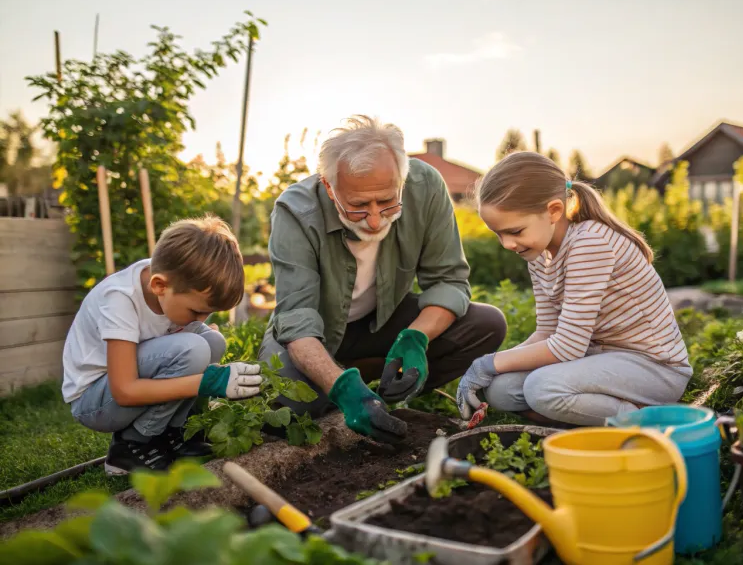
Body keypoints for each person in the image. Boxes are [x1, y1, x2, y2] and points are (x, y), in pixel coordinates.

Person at [259, 115, 507, 443]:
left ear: (402, 179)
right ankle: (347, 385)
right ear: (329, 187)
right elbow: (297, 322)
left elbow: (448, 281)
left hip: (383, 322)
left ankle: (379, 385)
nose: (375, 221)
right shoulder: (295, 211)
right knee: (287, 406)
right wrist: (341, 388)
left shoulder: (426, 186)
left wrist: (415, 338)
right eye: (359, 206)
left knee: (486, 324)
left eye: (387, 202)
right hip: (315, 334)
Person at [457, 152, 692, 426]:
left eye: (515, 231)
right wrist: (492, 371)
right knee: (502, 390)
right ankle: (584, 423)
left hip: (653, 368)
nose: (507, 244)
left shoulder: (590, 243)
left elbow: (567, 347)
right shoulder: (540, 254)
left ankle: (650, 421)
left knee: (542, 388)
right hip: (600, 357)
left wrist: (486, 364)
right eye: (499, 234)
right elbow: (547, 332)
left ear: (554, 211)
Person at [63, 216, 263, 474]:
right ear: (159, 286)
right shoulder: (120, 299)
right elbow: (124, 390)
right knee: (194, 349)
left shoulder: (175, 281)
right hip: (95, 402)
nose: (201, 319)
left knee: (212, 341)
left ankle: (175, 433)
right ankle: (131, 446)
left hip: (123, 390)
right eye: (196, 311)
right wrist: (208, 382)